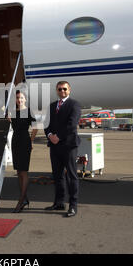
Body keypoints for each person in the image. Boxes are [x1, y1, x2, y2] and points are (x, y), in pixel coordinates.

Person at [44, 81, 81, 217]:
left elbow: (72, 125)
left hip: (68, 146)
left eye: (64, 89)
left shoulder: (74, 105)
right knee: (57, 176)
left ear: (69, 90)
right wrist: (49, 135)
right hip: (54, 146)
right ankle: (59, 202)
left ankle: (73, 205)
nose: (62, 91)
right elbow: (46, 123)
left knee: (71, 176)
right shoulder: (52, 106)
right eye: (59, 89)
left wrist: (58, 136)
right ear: (57, 91)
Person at [8, 91, 38, 213]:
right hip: (15, 141)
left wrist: (30, 141)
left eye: (21, 98)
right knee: (19, 171)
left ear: (25, 99)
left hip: (25, 141)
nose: (19, 100)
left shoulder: (29, 111)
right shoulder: (13, 112)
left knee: (24, 171)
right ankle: (24, 199)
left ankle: (21, 200)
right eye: (17, 98)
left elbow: (35, 127)